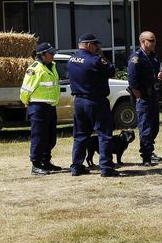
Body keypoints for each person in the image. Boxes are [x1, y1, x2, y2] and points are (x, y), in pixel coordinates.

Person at [67, 33, 120, 177]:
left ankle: (76, 166)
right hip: (95, 101)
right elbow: (112, 72)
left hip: (79, 101)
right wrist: (101, 55)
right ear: (89, 44)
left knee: (80, 135)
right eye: (96, 45)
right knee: (104, 134)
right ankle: (106, 167)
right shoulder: (95, 60)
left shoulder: (71, 59)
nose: (97, 47)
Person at [20, 42, 61, 176]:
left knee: (50, 137)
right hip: (38, 107)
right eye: (51, 53)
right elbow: (26, 89)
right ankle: (36, 165)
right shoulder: (35, 69)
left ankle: (46, 161)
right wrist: (26, 102)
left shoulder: (52, 66)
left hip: (50, 106)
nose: (53, 55)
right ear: (42, 55)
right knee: (39, 137)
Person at [128, 31, 162, 166]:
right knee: (145, 127)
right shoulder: (136, 58)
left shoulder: (153, 57)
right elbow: (132, 79)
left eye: (155, 40)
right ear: (143, 42)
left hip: (153, 95)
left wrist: (160, 76)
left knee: (154, 126)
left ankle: (150, 150)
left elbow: (154, 74)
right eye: (152, 40)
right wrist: (137, 94)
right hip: (143, 97)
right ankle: (146, 157)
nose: (155, 43)